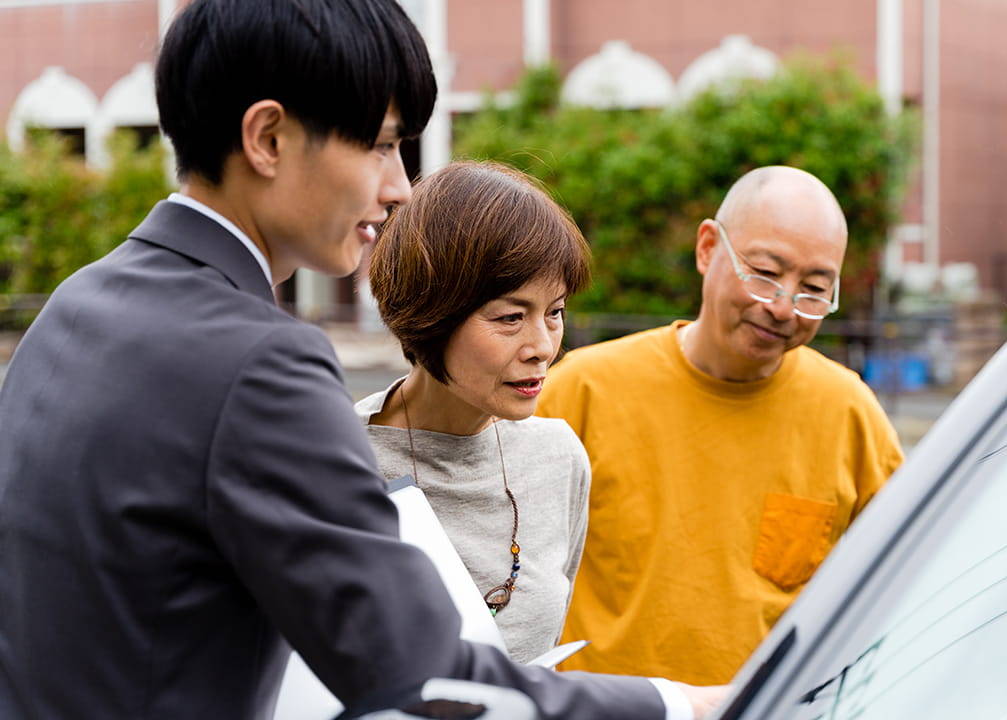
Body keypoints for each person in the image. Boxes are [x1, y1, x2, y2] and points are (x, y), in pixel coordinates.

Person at [0, 2, 720, 718]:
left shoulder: (77, 303)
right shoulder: (259, 362)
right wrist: (685, 704)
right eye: (379, 145)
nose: (400, 185)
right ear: (269, 138)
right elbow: (426, 676)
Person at [537, 165, 906, 686]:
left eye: (814, 288)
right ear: (708, 248)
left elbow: (904, 579)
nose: (782, 307)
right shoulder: (583, 391)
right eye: (765, 273)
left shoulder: (849, 413)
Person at [354, 161, 592, 664]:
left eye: (555, 312)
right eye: (510, 317)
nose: (543, 346)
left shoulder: (558, 457)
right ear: (430, 312)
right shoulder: (337, 463)